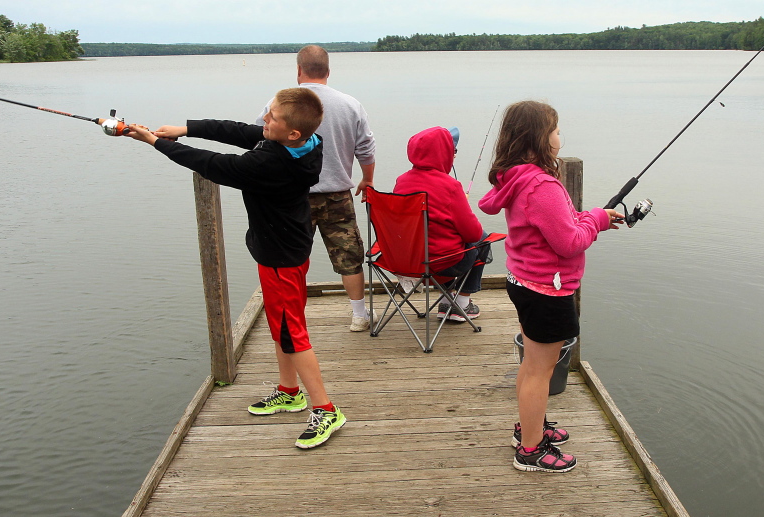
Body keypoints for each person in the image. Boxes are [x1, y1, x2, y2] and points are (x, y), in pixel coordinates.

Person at [127, 88, 346, 450]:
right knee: (281, 324)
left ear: (292, 133)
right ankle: (290, 392)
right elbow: (236, 131)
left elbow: (214, 164)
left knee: (292, 333)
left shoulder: (272, 165)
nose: (265, 120)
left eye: (272, 117)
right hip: (281, 249)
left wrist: (154, 142)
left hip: (282, 259)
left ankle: (326, 409)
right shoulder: (307, 141)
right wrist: (184, 128)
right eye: (269, 112)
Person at [478, 100, 625, 473]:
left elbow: (558, 224)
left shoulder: (518, 177)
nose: (561, 136)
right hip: (547, 290)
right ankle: (530, 450)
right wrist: (597, 222)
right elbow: (569, 242)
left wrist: (592, 215)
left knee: (532, 364)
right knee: (540, 371)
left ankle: (529, 425)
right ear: (537, 139)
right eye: (556, 130)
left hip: (525, 281)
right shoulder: (540, 184)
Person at [257, 45, 376, 332]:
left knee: (292, 258)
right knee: (349, 256)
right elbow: (366, 147)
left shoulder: (279, 103)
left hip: (293, 196)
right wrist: (367, 179)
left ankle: (294, 317)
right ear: (328, 71)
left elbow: (260, 139)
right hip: (337, 194)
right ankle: (359, 315)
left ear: (299, 71)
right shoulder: (350, 104)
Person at [393, 126, 487, 321]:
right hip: (443, 265)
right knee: (483, 240)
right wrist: (462, 206)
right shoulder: (450, 186)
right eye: (453, 151)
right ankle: (461, 304)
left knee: (437, 243)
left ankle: (447, 300)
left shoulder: (401, 182)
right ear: (444, 153)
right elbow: (473, 234)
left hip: (405, 263)